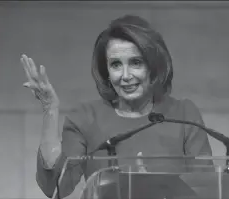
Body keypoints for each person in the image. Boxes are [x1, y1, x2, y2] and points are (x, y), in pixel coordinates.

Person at [21, 15, 213, 199]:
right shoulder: (85, 118)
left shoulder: (184, 115)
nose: (125, 75)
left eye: (136, 62)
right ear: (106, 71)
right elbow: (55, 186)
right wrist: (49, 109)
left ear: (153, 66)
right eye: (115, 65)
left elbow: (206, 190)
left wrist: (156, 188)